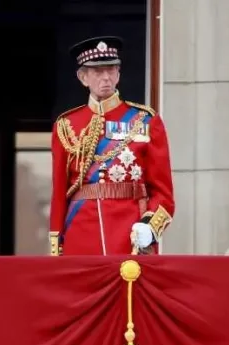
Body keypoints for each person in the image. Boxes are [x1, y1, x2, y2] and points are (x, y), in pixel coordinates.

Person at [48, 35, 175, 256]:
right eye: (98, 72)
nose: (105, 77)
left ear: (118, 74)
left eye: (111, 70)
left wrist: (151, 227)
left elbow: (164, 193)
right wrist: (57, 247)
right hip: (80, 235)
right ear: (83, 77)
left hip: (129, 233)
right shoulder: (66, 125)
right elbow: (59, 194)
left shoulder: (145, 120)